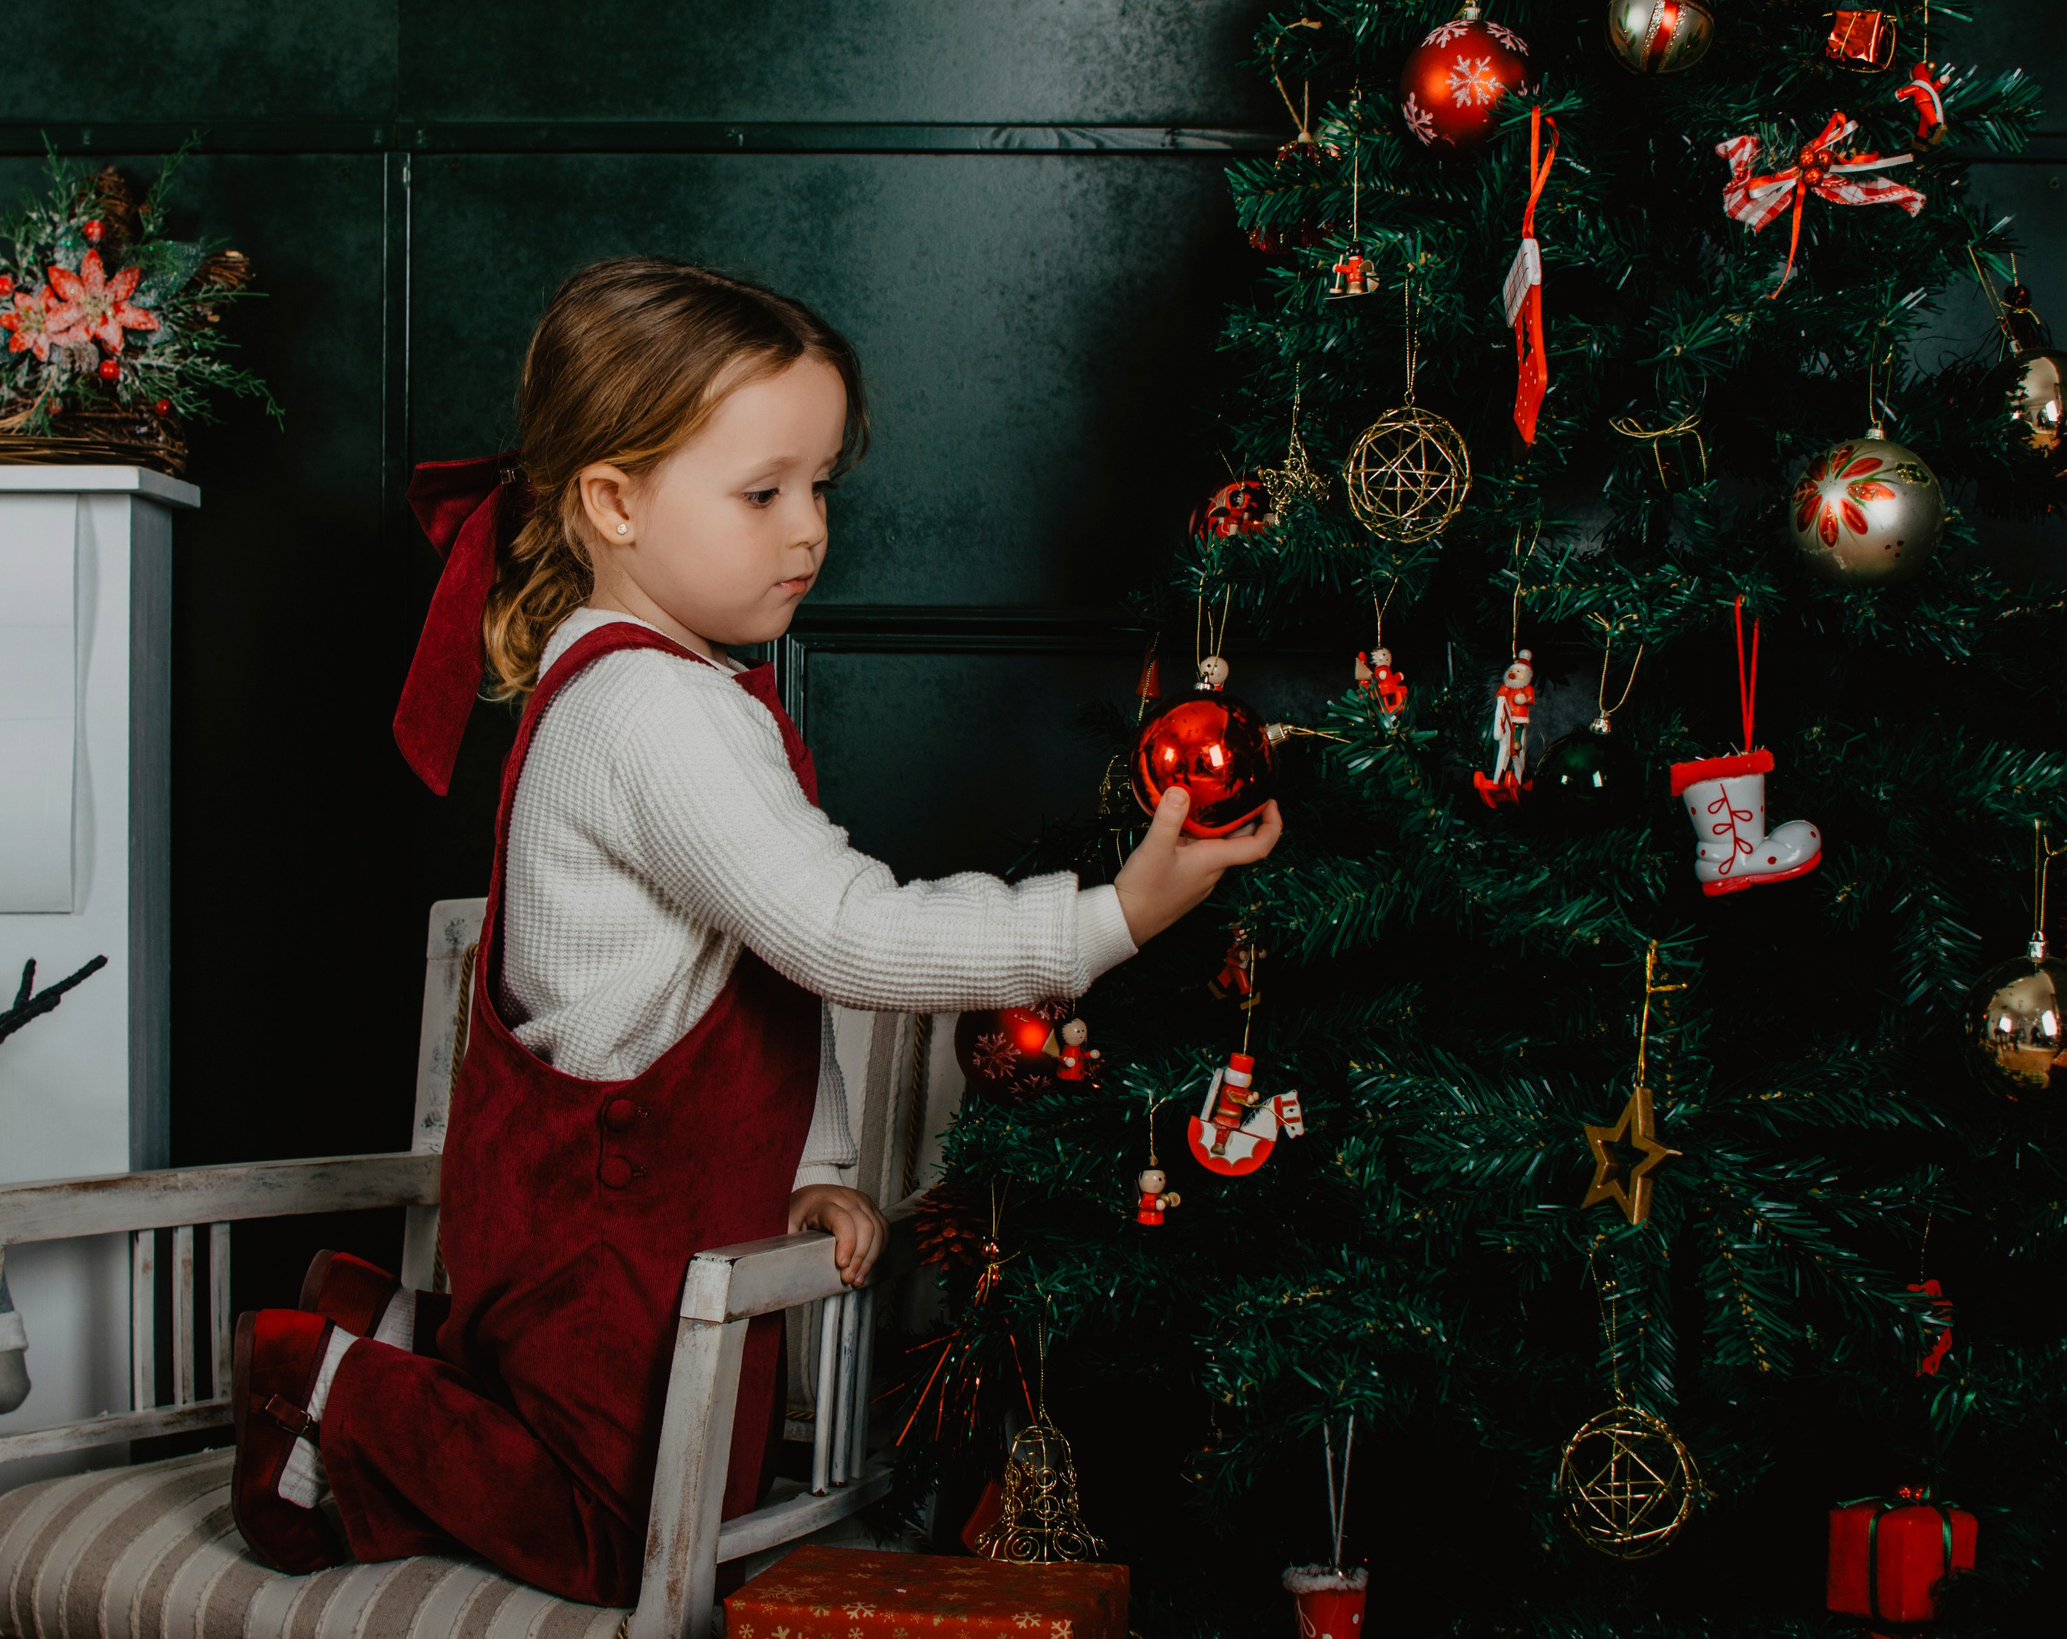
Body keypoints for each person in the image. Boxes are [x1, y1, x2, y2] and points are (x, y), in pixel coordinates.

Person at [229, 257, 1282, 1602]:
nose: (809, 531)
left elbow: (758, 982)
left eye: (822, 485)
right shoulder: (655, 716)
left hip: (612, 1216)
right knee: (617, 1534)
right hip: (606, 1232)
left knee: (641, 1466)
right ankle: (323, 1381)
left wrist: (817, 1159)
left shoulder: (642, 684)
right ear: (613, 500)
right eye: (762, 492)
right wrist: (1109, 917)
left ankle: (388, 1326)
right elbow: (842, 936)